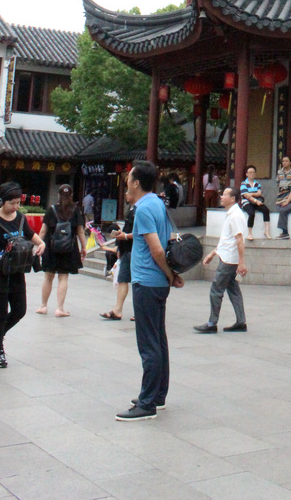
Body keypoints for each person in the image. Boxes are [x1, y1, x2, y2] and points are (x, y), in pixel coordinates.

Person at [116, 160, 184, 421]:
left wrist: (170, 274)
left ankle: (146, 403)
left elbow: (156, 249)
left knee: (148, 343)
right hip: (157, 283)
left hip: (147, 281)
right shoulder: (157, 202)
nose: (126, 183)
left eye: (128, 179)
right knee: (158, 338)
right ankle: (157, 394)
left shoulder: (143, 208)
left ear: (136, 182)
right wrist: (169, 275)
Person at [0, 182, 45, 368]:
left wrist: (41, 243)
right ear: (2, 201)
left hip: (17, 272)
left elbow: (29, 234)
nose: (16, 207)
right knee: (1, 312)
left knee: (20, 310)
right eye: (12, 203)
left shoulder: (20, 217)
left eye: (18, 202)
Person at [194, 186, 248, 333]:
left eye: (225, 195)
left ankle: (212, 323)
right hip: (228, 256)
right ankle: (241, 321)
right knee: (233, 290)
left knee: (216, 290)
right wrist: (212, 254)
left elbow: (239, 240)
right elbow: (227, 241)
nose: (221, 197)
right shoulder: (232, 214)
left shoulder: (235, 215)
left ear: (233, 199)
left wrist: (241, 262)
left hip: (229, 259)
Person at [36, 184, 87, 317]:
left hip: (51, 247)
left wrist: (38, 245)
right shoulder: (76, 210)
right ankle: (59, 308)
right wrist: (84, 247)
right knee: (63, 277)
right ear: (71, 196)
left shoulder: (51, 210)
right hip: (68, 248)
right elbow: (81, 231)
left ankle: (43, 306)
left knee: (48, 276)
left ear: (59, 195)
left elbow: (43, 230)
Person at [100, 205, 136, 321]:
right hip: (126, 249)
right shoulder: (132, 209)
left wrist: (125, 236)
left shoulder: (143, 208)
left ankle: (140, 311)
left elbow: (144, 232)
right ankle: (117, 310)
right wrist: (120, 246)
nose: (126, 193)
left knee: (139, 282)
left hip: (137, 251)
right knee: (122, 279)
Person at [240, 164, 272, 241]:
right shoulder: (243, 184)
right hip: (247, 202)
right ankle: (250, 233)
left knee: (266, 210)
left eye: (254, 172)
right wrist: (255, 200)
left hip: (257, 201)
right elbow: (246, 196)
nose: (252, 174)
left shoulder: (257, 183)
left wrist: (251, 194)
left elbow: (259, 193)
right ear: (246, 174)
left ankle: (266, 231)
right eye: (250, 172)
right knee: (251, 213)